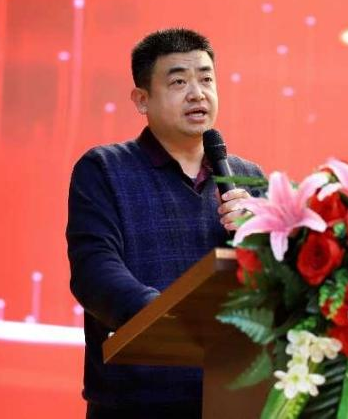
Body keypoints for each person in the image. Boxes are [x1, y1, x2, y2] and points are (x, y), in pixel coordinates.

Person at [66, 28, 263, 418]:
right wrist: (166, 319)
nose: (197, 93)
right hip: (136, 399)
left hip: (232, 396)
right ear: (142, 100)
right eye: (178, 82)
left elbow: (278, 282)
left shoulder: (248, 179)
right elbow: (94, 270)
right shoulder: (104, 169)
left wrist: (260, 237)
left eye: (206, 79)